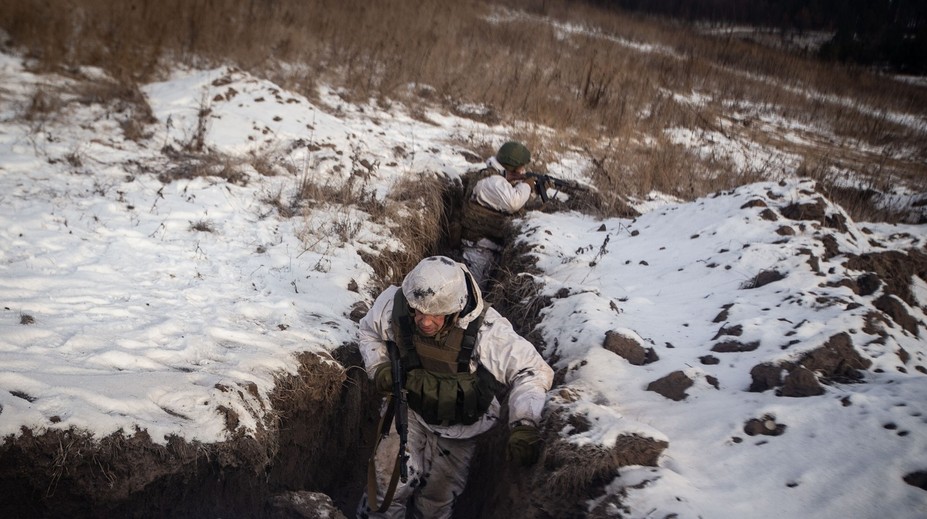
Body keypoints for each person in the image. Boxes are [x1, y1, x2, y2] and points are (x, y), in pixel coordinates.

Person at [356, 256, 554, 519]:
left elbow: (532, 370)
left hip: (462, 428)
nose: (425, 322)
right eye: (419, 312)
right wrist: (378, 367)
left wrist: (524, 424)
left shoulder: (486, 330)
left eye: (435, 315)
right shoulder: (396, 306)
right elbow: (369, 331)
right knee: (385, 490)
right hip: (409, 411)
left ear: (455, 310)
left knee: (435, 504)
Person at [459, 141, 536, 293]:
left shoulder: (497, 178)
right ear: (513, 166)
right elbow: (514, 202)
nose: (524, 169)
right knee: (472, 294)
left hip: (486, 247)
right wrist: (527, 184)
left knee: (480, 293)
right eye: (521, 166)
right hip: (478, 249)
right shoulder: (492, 182)